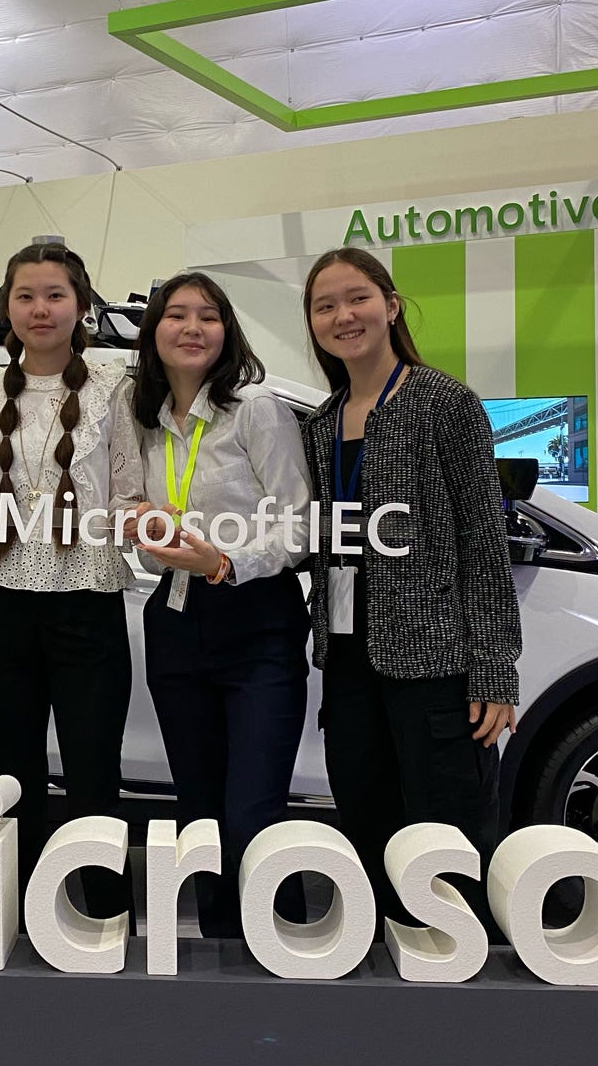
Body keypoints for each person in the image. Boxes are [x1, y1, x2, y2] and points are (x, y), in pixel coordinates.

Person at [300, 246, 522, 924]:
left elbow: (484, 542)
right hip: (346, 664)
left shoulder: (444, 403)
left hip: (435, 664)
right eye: (325, 305)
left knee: (449, 837)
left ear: (391, 306)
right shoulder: (319, 423)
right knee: (369, 828)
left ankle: (467, 979)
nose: (344, 315)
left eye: (357, 297)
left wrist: (494, 671)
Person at [0, 242, 143, 917]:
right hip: (2, 610)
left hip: (87, 604)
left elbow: (131, 490)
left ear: (82, 304)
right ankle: (21, 917)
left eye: (55, 295)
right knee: (10, 779)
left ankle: (102, 918)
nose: (41, 309)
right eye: (26, 295)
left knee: (94, 778)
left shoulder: (119, 381)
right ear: (7, 306)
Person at [128, 273, 312, 938]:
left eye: (208, 316)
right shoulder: (143, 422)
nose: (192, 327)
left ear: (227, 331)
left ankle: (287, 953)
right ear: (154, 333)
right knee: (199, 820)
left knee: (251, 818)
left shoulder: (256, 409)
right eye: (175, 315)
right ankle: (221, 970)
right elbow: (148, 537)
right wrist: (148, 535)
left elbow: (298, 527)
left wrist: (225, 561)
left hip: (258, 621)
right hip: (175, 622)